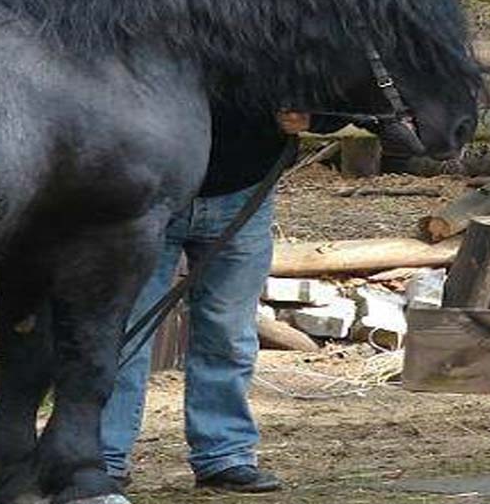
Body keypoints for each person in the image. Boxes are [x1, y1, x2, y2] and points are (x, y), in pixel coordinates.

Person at [99, 104, 322, 494]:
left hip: (243, 190)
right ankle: (102, 457)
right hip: (150, 188)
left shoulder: (273, 41)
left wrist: (320, 119)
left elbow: (350, 71)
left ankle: (225, 455)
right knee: (127, 331)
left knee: (229, 332)